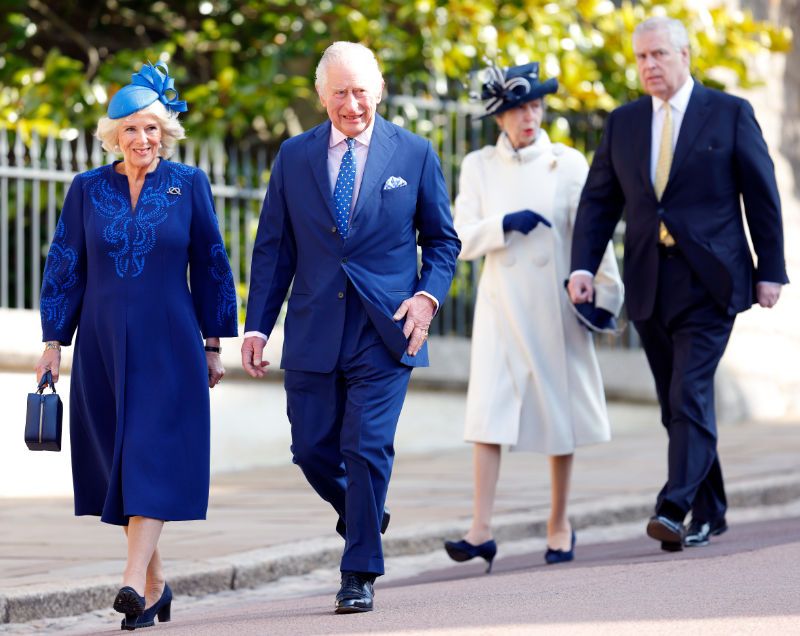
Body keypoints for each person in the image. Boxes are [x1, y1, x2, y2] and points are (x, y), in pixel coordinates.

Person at [241, 42, 460, 613]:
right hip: (314, 327)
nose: (351, 102)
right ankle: (365, 514)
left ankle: (359, 568)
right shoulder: (293, 156)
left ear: (379, 90)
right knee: (311, 449)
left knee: (365, 446)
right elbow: (274, 249)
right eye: (339, 91)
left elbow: (442, 241)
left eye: (361, 89)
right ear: (321, 96)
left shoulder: (413, 153)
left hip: (386, 328)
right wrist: (257, 327)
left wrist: (426, 298)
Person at [568, 16, 788, 552]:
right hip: (649, 279)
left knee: (689, 393)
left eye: (658, 55)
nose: (648, 66)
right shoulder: (623, 123)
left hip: (711, 280)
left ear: (684, 55)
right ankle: (711, 509)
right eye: (641, 57)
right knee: (675, 404)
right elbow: (599, 201)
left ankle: (673, 505)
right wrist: (581, 266)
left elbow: (761, 195)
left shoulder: (730, 113)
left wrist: (771, 270)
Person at [34, 61, 238, 630]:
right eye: (130, 129)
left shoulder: (188, 184)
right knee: (119, 462)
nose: (143, 139)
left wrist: (213, 342)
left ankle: (128, 582)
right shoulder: (86, 189)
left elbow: (213, 266)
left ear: (165, 133)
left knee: (150, 452)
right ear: (113, 136)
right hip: (100, 343)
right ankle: (156, 586)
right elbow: (65, 265)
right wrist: (54, 341)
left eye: (152, 128)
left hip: (170, 342)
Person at [443, 61, 623, 572]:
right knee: (487, 415)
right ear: (500, 116)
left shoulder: (567, 163)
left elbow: (593, 231)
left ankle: (559, 522)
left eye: (536, 106)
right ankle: (480, 529)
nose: (530, 116)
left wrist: (603, 291)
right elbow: (458, 238)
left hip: (553, 304)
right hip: (501, 306)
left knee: (557, 413)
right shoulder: (478, 165)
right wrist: (503, 224)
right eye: (519, 108)